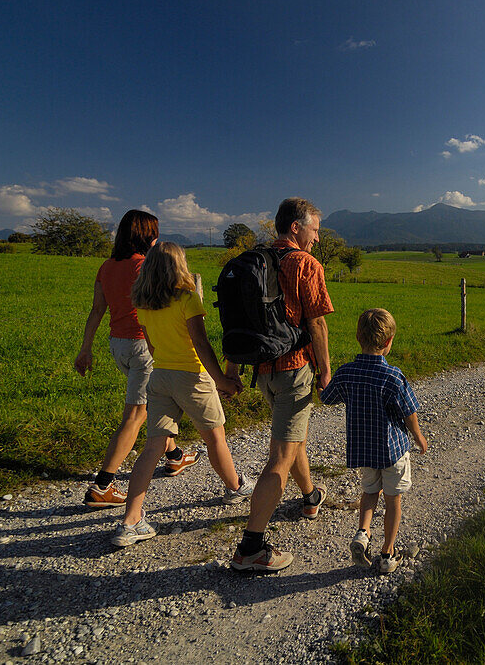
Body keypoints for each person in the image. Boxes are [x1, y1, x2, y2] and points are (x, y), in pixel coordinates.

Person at [111, 242, 252, 547]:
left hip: (159, 376)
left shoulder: (143, 303)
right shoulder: (188, 299)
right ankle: (235, 488)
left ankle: (130, 521)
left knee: (153, 448)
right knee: (215, 438)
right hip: (193, 377)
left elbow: (150, 346)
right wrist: (223, 381)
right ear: (179, 266)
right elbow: (200, 344)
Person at [230, 197, 334, 572]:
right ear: (296, 227)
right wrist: (325, 371)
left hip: (264, 372)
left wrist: (232, 369)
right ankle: (251, 546)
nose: (317, 239)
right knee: (280, 456)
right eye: (315, 230)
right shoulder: (304, 264)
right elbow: (317, 324)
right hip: (294, 369)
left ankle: (310, 496)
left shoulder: (256, 260)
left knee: (293, 438)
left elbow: (241, 318)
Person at [74, 210, 194, 509]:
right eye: (155, 232)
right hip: (144, 345)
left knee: (154, 402)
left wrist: (85, 348)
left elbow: (97, 310)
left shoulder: (106, 266)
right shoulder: (144, 265)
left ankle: (175, 457)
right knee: (137, 414)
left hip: (119, 346)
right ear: (146, 235)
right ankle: (103, 485)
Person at [320, 308, 427, 574]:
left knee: (369, 492)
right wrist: (418, 435)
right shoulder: (393, 376)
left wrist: (322, 383)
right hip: (393, 452)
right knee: (393, 500)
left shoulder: (347, 373)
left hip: (365, 450)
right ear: (389, 342)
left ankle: (362, 534)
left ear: (358, 337)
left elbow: (328, 397)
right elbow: (408, 412)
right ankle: (388, 554)